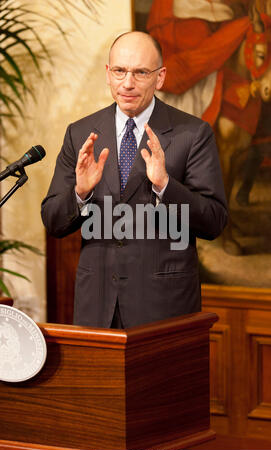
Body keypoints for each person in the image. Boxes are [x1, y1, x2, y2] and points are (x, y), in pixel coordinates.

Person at [41, 31, 228, 329]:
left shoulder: (192, 134)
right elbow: (52, 220)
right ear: (108, 73)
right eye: (119, 71)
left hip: (164, 308)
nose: (127, 83)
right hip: (97, 306)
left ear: (160, 77)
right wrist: (80, 193)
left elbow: (215, 220)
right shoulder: (80, 133)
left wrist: (165, 186)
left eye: (141, 72)